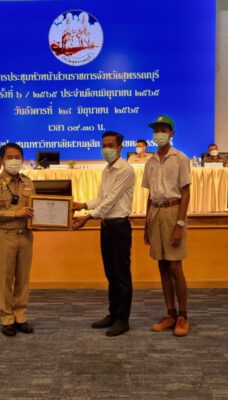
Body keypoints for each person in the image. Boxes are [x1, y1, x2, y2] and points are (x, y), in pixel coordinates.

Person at [72, 131, 135, 337]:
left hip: (119, 227)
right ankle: (113, 314)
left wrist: (87, 217)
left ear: (119, 148)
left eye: (110, 145)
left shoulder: (125, 169)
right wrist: (82, 205)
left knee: (121, 275)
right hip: (107, 226)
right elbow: (101, 198)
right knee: (110, 273)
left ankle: (122, 319)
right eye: (104, 145)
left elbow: (111, 200)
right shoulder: (106, 170)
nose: (106, 149)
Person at [142, 115, 191, 337]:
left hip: (173, 212)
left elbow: (185, 192)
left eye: (163, 130)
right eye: (156, 130)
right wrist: (146, 224)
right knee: (162, 265)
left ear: (171, 133)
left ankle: (183, 316)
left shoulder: (180, 158)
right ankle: (170, 313)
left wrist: (179, 224)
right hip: (156, 213)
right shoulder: (150, 162)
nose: (158, 134)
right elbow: (150, 195)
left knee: (175, 266)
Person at [0, 142, 35, 337]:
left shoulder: (28, 182)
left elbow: (35, 208)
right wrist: (15, 213)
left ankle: (20, 316)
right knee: (5, 280)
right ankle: (7, 318)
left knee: (23, 280)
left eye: (18, 157)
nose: (14, 161)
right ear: (2, 160)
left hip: (26, 236)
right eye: (10, 157)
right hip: (5, 236)